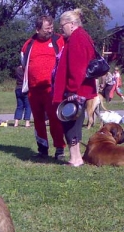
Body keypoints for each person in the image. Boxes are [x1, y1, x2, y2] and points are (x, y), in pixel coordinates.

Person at [53, 8, 98, 167]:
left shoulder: (77, 38)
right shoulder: (82, 36)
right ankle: (76, 157)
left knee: (70, 122)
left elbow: (77, 68)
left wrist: (71, 90)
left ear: (71, 24)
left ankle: (75, 159)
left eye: (62, 25)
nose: (61, 29)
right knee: (75, 122)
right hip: (80, 89)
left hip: (74, 91)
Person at [21, 16, 66, 160]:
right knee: (38, 120)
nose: (50, 31)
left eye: (51, 28)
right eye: (46, 29)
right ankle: (43, 149)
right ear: (37, 29)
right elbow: (23, 64)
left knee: (55, 119)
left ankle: (60, 149)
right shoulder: (28, 44)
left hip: (51, 89)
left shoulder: (58, 40)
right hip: (34, 90)